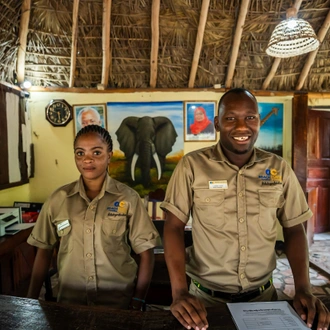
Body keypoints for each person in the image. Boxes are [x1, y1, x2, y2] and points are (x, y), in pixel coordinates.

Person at [161, 88, 330, 330]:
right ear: (217, 123)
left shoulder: (278, 168)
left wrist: (303, 289)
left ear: (259, 121)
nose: (242, 127)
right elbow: (173, 227)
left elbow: (294, 229)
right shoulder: (192, 166)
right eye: (231, 118)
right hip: (205, 302)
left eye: (250, 117)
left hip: (264, 299)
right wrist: (178, 293)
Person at [27, 125, 161, 309]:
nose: (87, 159)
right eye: (80, 153)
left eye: (96, 152)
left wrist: (138, 300)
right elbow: (44, 250)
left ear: (109, 156)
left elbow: (146, 253)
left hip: (118, 303)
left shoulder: (128, 198)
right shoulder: (58, 199)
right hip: (70, 303)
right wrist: (30, 301)